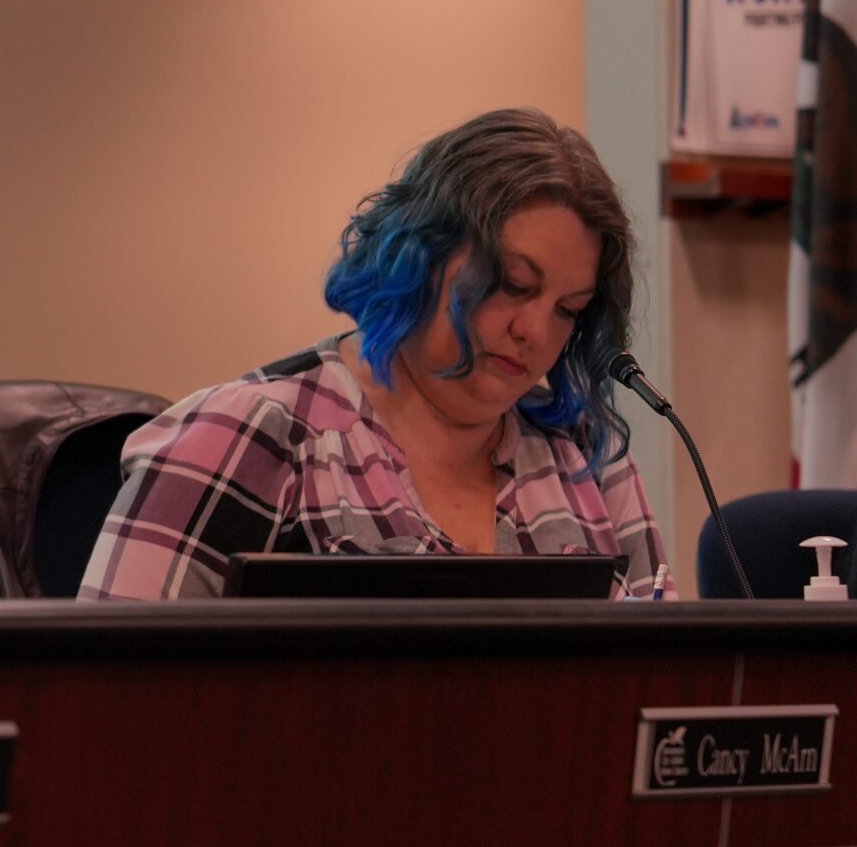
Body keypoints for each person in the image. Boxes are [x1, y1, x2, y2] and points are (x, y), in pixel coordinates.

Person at [81, 108, 665, 600]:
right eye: (513, 283)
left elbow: (662, 692)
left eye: (568, 309)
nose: (535, 331)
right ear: (418, 254)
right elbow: (102, 703)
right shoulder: (249, 438)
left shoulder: (587, 456)